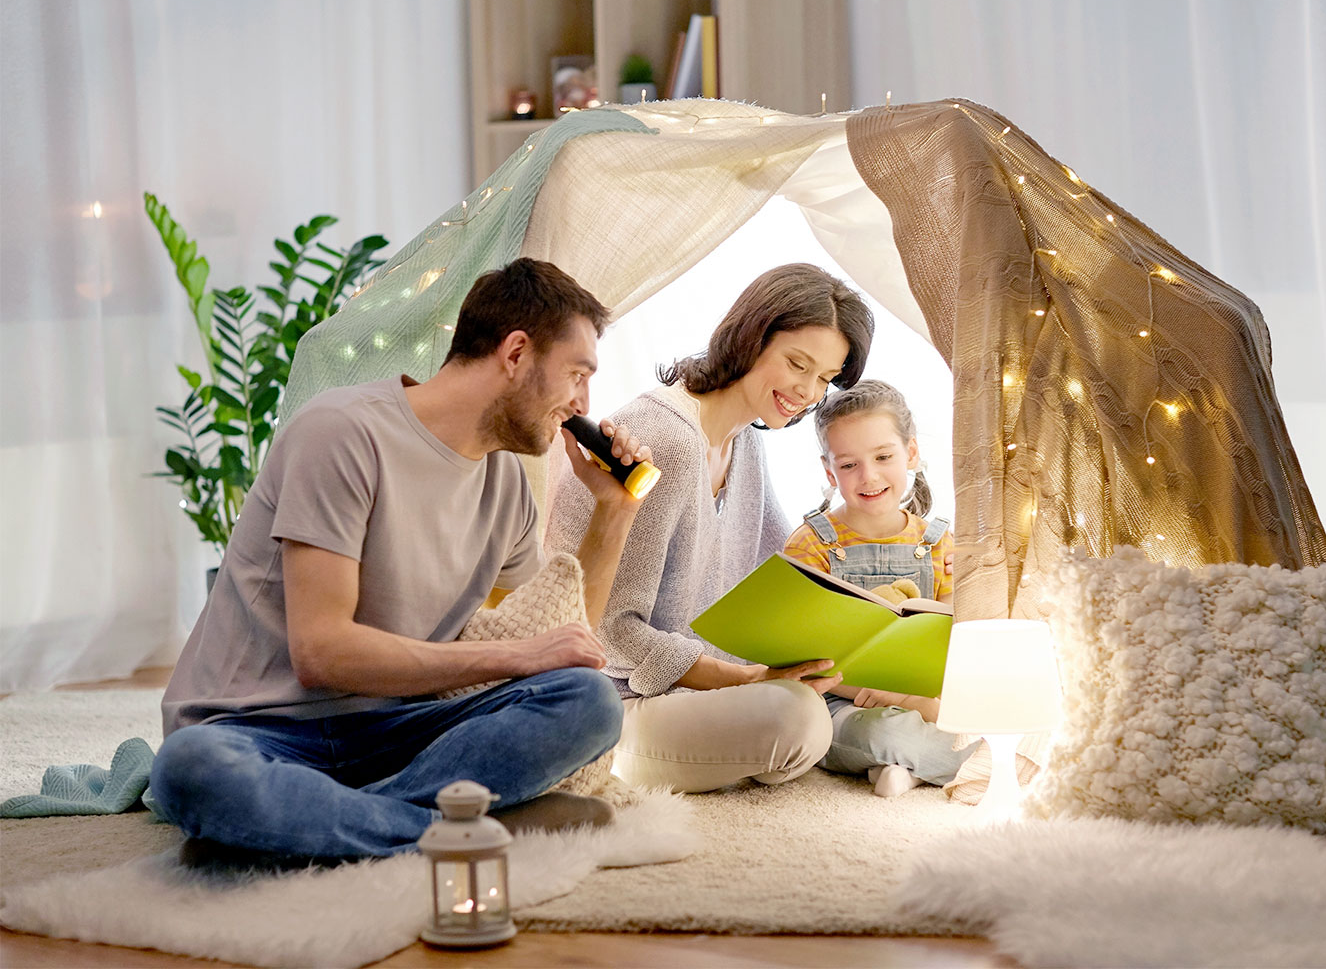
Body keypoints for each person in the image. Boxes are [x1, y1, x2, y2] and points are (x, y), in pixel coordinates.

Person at [152, 258, 652, 861]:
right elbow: (323, 652)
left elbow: (562, 643)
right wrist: (517, 655)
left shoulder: (509, 485)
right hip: (257, 729)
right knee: (190, 770)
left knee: (589, 702)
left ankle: (313, 827)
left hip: (397, 734)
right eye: (577, 374)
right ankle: (456, 826)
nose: (582, 403)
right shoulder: (341, 433)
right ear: (516, 353)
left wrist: (614, 511)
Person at [544, 263, 876, 793]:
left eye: (825, 379)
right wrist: (748, 679)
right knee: (798, 721)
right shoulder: (666, 441)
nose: (808, 391)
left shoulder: (745, 441)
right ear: (751, 337)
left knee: (817, 708)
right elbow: (611, 629)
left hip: (698, 695)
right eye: (798, 364)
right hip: (614, 701)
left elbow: (786, 568)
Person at [782, 379, 978, 797]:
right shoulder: (810, 544)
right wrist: (896, 698)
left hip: (926, 700)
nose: (868, 476)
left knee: (992, 721)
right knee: (885, 733)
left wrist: (963, 585)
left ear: (910, 453)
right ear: (829, 470)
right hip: (841, 704)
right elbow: (804, 660)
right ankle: (913, 761)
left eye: (884, 456)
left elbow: (950, 644)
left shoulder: (940, 541)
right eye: (848, 464)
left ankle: (907, 768)